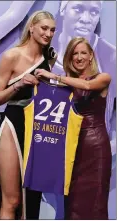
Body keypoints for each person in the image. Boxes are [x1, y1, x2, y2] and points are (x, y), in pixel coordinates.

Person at [35, 37, 112, 219]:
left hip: (95, 148)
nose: (79, 57)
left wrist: (55, 76)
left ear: (91, 56)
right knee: (73, 206)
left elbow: (87, 85)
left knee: (95, 204)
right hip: (72, 149)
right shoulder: (67, 84)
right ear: (69, 58)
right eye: (74, 53)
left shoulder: (103, 78)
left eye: (83, 53)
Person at [0, 10, 56, 220]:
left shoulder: (50, 58)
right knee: (12, 200)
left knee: (32, 197)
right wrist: (19, 84)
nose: (48, 33)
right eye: (44, 28)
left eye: (52, 30)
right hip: (13, 122)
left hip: (37, 128)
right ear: (32, 28)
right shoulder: (12, 56)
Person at [52, 0, 116, 136]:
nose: (86, 19)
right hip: (50, 141)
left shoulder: (111, 57)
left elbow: (88, 85)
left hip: (92, 141)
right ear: (63, 10)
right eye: (78, 9)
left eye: (93, 12)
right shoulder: (43, 52)